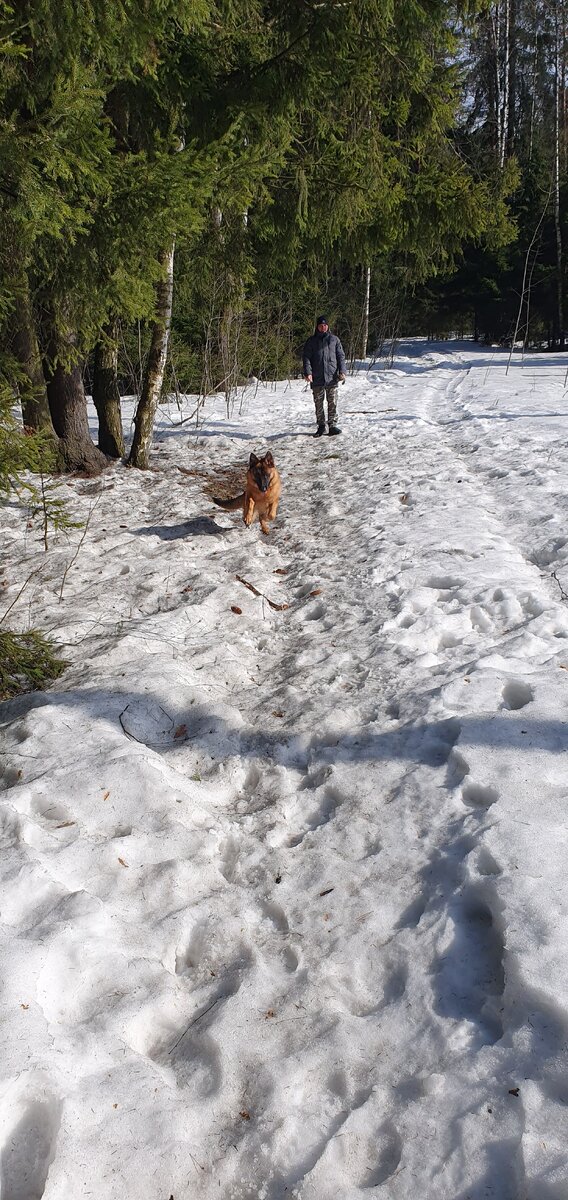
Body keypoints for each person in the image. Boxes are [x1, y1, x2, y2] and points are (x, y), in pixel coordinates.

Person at [302, 315, 346, 436]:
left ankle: (332, 425)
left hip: (332, 377)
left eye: (325, 325)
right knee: (318, 403)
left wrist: (342, 371)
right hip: (317, 378)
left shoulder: (334, 340)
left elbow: (341, 356)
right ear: (317, 327)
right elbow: (306, 358)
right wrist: (308, 372)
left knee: (332, 402)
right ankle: (321, 426)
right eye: (321, 326)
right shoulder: (311, 341)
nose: (323, 328)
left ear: (328, 326)